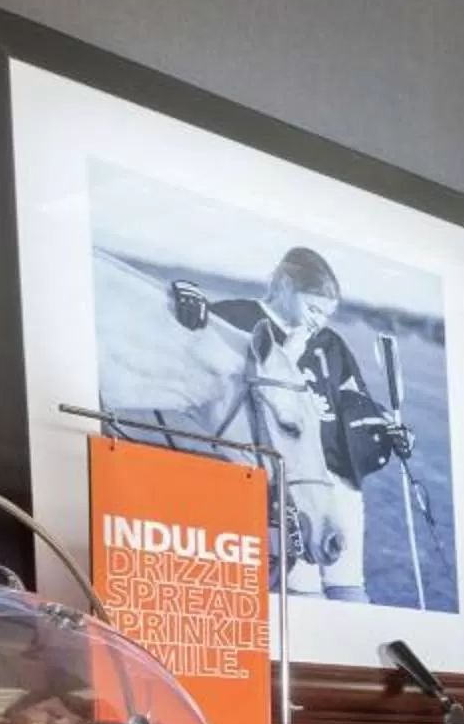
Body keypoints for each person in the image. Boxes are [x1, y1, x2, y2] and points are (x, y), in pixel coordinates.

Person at [167, 248, 413, 603]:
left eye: (326, 315)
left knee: (349, 592)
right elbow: (178, 348)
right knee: (303, 594)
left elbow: (356, 406)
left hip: (337, 484)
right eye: (312, 309)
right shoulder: (234, 318)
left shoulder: (330, 344)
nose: (318, 322)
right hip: (282, 487)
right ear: (283, 285)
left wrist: (389, 434)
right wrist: (181, 297)